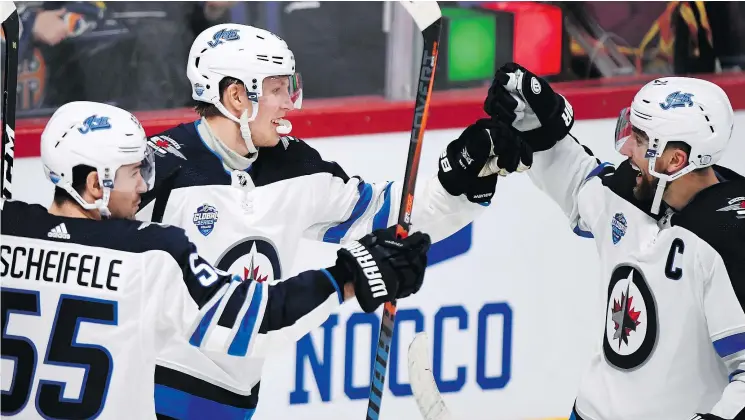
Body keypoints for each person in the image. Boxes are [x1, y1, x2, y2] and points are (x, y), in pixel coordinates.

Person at [135, 23, 533, 419]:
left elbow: (396, 216)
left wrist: (462, 176)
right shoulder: (158, 169)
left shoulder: (295, 166)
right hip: (146, 394)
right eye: (275, 89)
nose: (288, 102)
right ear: (237, 96)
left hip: (235, 403)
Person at [0, 101, 432, 419]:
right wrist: (347, 277)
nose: (144, 185)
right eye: (135, 173)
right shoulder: (148, 254)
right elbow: (255, 320)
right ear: (96, 184)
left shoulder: (8, 230)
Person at [483, 63, 745, 419]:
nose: (626, 151)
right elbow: (580, 187)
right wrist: (534, 124)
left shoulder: (729, 239)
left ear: (675, 160)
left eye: (639, 141)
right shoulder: (637, 192)